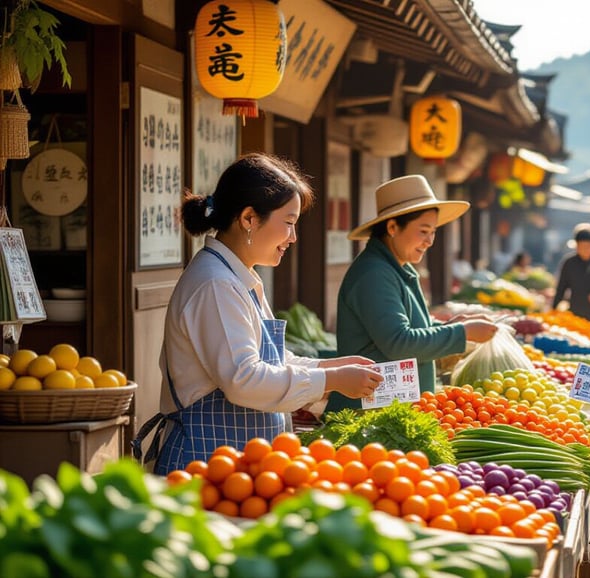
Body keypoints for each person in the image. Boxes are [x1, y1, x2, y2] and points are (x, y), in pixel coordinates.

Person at [134, 153, 384, 475]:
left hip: (234, 464)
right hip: (205, 465)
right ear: (249, 218)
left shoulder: (235, 276)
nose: (293, 238)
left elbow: (273, 361)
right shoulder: (216, 284)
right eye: (289, 223)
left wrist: (330, 367)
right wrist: (331, 378)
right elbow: (245, 379)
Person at [331, 175, 500, 411]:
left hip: (393, 410)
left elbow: (410, 327)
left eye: (433, 232)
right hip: (370, 414)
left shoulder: (397, 267)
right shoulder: (374, 274)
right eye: (423, 231)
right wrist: (462, 333)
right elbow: (400, 342)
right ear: (392, 227)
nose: (430, 241)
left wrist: (451, 325)